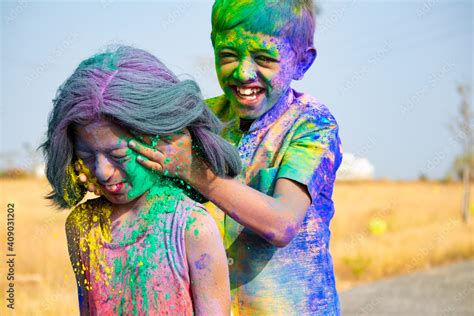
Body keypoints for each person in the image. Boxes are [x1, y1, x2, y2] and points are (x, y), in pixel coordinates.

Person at [127, 1, 343, 314]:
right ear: (214, 45)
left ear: (302, 62)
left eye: (265, 58)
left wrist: (195, 171)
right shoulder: (203, 118)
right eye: (228, 55)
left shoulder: (312, 125)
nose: (243, 72)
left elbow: (282, 223)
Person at [40, 45, 239, 315]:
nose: (102, 171)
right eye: (86, 155)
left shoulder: (191, 226)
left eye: (118, 154)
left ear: (158, 137)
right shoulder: (82, 227)